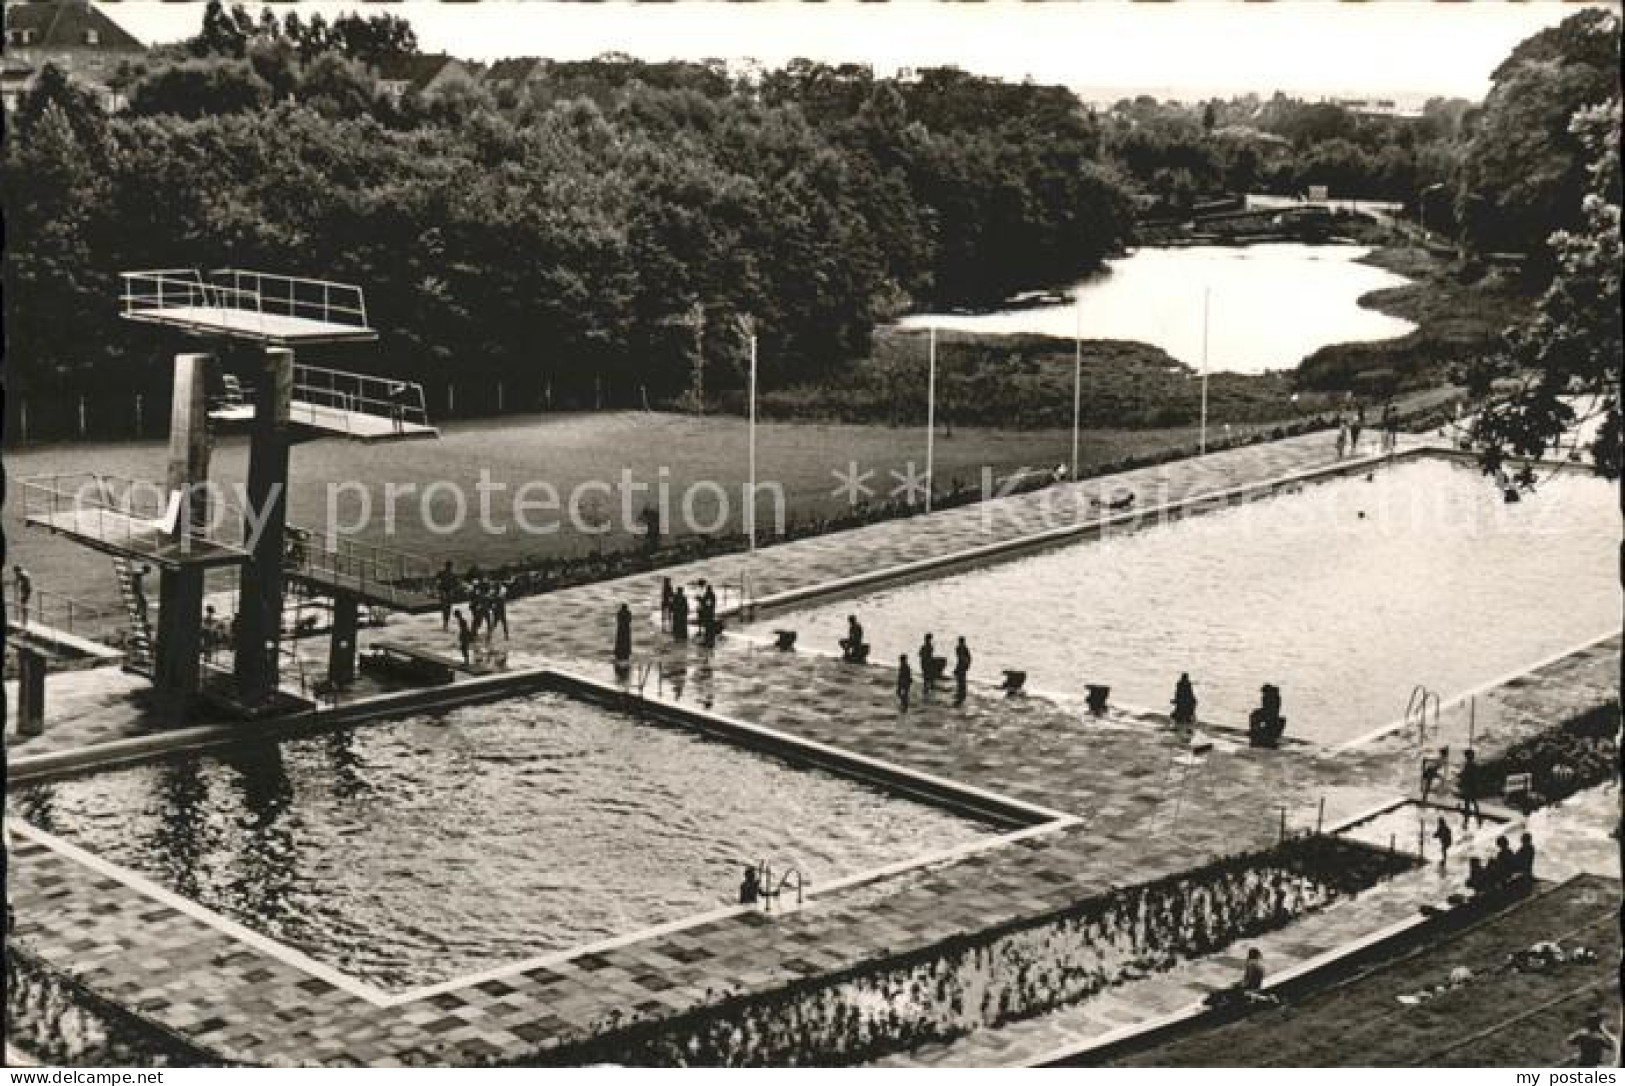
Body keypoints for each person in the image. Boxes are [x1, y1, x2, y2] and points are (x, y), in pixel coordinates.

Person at [1458, 748, 1484, 828]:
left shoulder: (1469, 765)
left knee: (1468, 806)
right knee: (1474, 805)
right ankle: (1478, 820)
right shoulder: (1471, 765)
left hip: (1469, 788)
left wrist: (1462, 779)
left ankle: (1468, 821)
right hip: (1471, 788)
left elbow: (1468, 777)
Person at [435, 560, 459, 631]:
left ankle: (445, 623)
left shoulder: (441, 573)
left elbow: (437, 582)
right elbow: (456, 585)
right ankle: (446, 623)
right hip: (447, 593)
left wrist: (439, 590)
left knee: (445, 608)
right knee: (447, 608)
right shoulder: (452, 575)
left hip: (445, 593)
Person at [953, 637, 972, 707]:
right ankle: (961, 693)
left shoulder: (960, 648)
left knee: (961, 680)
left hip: (962, 665)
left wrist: (958, 667)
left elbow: (961, 659)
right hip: (963, 665)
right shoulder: (963, 648)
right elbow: (969, 658)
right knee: (961, 680)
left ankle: (961, 693)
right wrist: (967, 665)